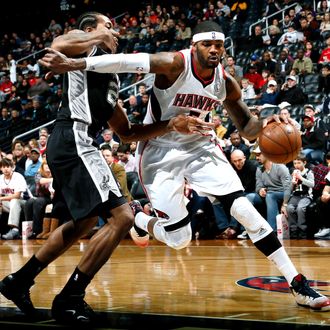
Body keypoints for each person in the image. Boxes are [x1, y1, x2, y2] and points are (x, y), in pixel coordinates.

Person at [38, 20, 330, 312]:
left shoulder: (224, 82)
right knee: (179, 239)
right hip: (160, 151)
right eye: (208, 44)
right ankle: (140, 219)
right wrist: (75, 64)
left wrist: (266, 121)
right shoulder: (175, 63)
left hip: (200, 147)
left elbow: (247, 128)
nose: (214, 50)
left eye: (219, 45)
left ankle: (298, 284)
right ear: (195, 45)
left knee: (244, 210)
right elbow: (127, 61)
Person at [0, 12, 213, 324]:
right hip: (73, 136)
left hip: (76, 143)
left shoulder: (109, 73)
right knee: (123, 217)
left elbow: (126, 132)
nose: (116, 34)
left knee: (83, 223)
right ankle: (70, 298)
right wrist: (97, 37)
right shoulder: (84, 49)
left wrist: (172, 124)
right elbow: (59, 42)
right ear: (90, 29)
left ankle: (18, 281)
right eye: (109, 27)